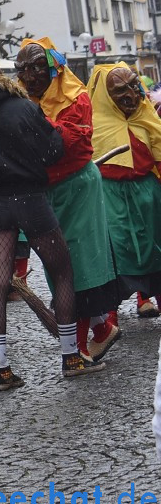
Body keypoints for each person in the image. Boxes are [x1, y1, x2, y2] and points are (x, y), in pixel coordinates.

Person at [0, 54, 103, 389]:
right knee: (62, 272)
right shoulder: (22, 106)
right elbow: (53, 151)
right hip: (30, 198)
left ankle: (1, 370)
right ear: (1, 75)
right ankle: (70, 357)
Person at [16, 39, 122, 360]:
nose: (29, 75)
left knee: (77, 265)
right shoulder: (22, 101)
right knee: (57, 264)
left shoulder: (76, 99)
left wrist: (32, 121)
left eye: (36, 67)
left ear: (52, 66)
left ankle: (75, 348)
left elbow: (63, 144)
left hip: (77, 187)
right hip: (46, 190)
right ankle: (102, 330)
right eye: (23, 69)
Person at [87, 64, 161, 319]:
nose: (131, 94)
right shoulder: (94, 122)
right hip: (109, 196)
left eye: (133, 85)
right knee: (115, 252)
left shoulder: (145, 114)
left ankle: (148, 297)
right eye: (120, 90)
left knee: (154, 248)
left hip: (147, 193)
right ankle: (110, 315)